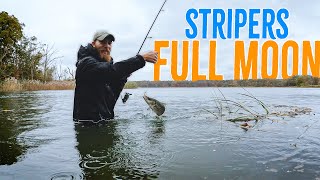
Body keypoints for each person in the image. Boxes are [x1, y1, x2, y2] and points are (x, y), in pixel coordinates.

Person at [73, 30, 158, 123]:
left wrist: (122, 77)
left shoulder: (103, 71)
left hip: (103, 123)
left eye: (109, 43)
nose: (107, 46)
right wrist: (141, 59)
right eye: (102, 42)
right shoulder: (85, 63)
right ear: (93, 44)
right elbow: (110, 70)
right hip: (87, 126)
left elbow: (111, 99)